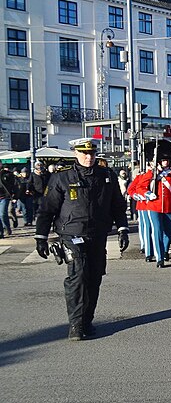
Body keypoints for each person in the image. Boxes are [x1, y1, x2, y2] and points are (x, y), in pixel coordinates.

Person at [33, 138, 129, 341]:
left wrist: (122, 229)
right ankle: (76, 325)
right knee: (78, 276)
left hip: (98, 234)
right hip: (71, 234)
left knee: (94, 278)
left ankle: (87, 321)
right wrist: (40, 237)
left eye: (92, 153)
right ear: (75, 154)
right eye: (84, 153)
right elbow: (46, 210)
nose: (89, 157)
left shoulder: (107, 176)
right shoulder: (62, 178)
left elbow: (118, 206)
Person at [130, 140, 171, 267]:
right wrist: (147, 194)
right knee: (157, 231)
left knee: (168, 233)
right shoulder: (150, 174)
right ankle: (159, 258)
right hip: (154, 206)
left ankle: (164, 250)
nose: (166, 162)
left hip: (169, 206)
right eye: (163, 160)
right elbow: (140, 187)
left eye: (167, 160)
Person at [0, 161, 16, 237]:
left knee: (2, 214)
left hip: (4, 196)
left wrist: (13, 194)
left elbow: (14, 184)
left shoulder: (7, 174)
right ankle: (1, 232)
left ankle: (6, 228)